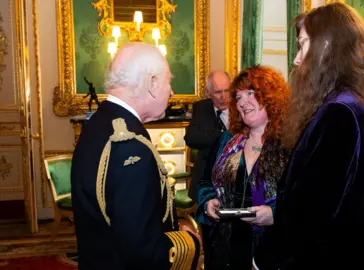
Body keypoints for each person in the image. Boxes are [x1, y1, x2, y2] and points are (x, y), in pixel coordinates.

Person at [253, 3, 364, 269]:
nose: (296, 58)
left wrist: (265, 258)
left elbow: (310, 212)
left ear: (325, 47)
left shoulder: (338, 114)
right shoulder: (359, 105)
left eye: (302, 45)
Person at [71, 42, 200, 270]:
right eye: (169, 81)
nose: (172, 91)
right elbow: (141, 250)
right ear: (152, 83)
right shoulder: (129, 145)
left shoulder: (100, 123)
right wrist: (190, 244)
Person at [196, 66, 290, 270]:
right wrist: (208, 201)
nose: (242, 102)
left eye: (250, 93)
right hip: (226, 249)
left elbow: (308, 199)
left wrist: (275, 214)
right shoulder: (228, 140)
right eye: (238, 97)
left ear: (271, 96)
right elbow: (205, 182)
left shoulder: (291, 143)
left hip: (273, 250)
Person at [185, 70, 232, 205]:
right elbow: (191, 139)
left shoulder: (241, 106)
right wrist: (222, 135)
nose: (224, 96)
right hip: (205, 178)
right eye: (218, 92)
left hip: (232, 179)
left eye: (227, 91)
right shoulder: (201, 108)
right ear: (208, 93)